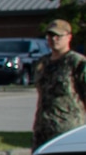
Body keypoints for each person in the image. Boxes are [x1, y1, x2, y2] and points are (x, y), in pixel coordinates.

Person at [32, 18, 86, 147]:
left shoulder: (77, 63)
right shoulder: (42, 63)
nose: (53, 39)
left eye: (58, 36)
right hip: (42, 131)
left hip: (68, 131)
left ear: (69, 37)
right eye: (50, 35)